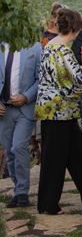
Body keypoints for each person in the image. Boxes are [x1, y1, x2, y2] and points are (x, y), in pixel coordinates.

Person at [35, 8, 82, 214]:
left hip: (60, 112)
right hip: (58, 112)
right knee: (54, 160)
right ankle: (47, 205)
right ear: (77, 28)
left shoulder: (50, 46)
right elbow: (80, 81)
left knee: (77, 156)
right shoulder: (62, 50)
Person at [0, 41, 40, 208]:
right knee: (9, 150)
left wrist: (26, 96)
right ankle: (18, 190)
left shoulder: (35, 47)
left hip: (25, 108)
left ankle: (23, 192)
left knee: (18, 147)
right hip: (4, 110)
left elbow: (41, 78)